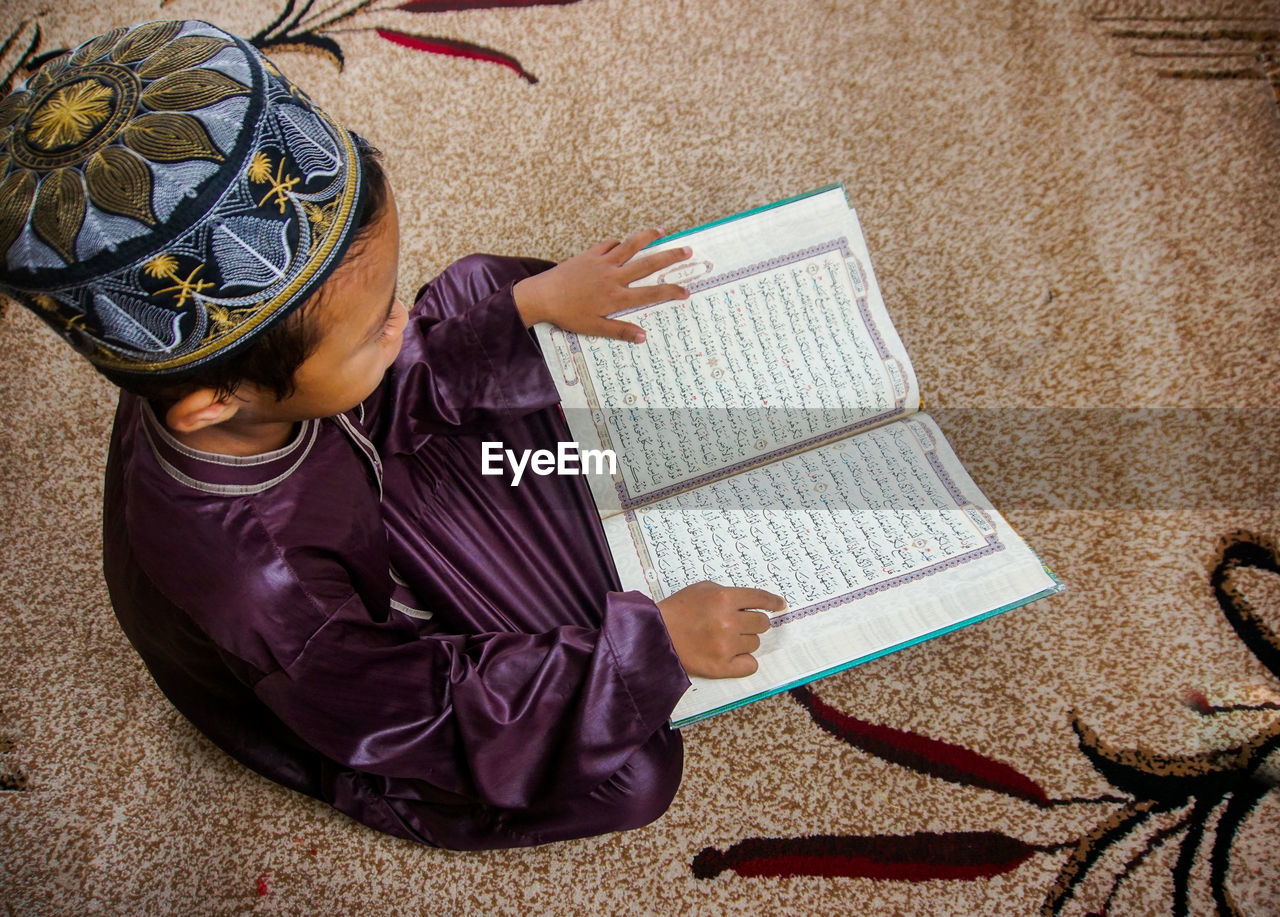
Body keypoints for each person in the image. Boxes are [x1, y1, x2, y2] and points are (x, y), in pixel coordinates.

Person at [0, 19, 783, 848]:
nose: (401, 321)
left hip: (356, 470)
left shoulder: (219, 370)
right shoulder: (266, 586)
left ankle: (567, 521)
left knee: (496, 294)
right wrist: (642, 654)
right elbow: (423, 715)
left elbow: (369, 383)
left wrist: (525, 309)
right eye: (376, 325)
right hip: (369, 677)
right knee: (631, 773)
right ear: (214, 403)